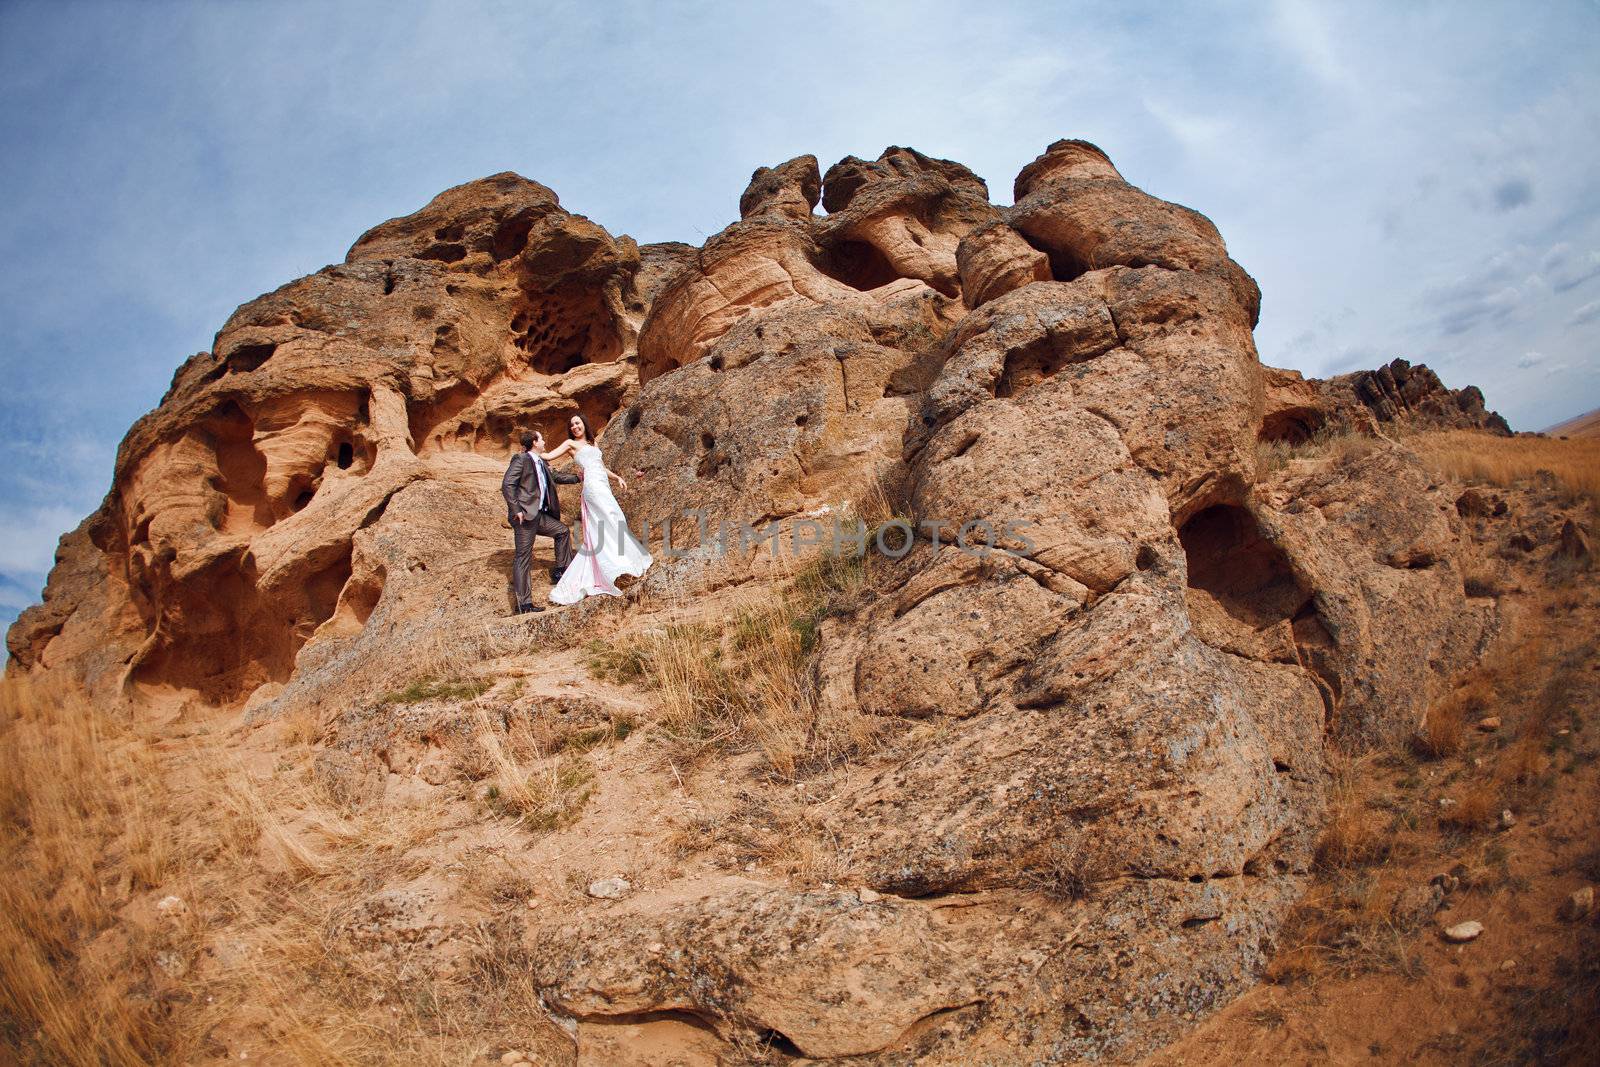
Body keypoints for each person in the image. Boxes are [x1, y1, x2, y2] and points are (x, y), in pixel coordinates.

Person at [539, 413, 652, 604]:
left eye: (578, 423)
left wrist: (616, 477)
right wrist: (532, 449)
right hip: (592, 487)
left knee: (614, 520)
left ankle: (618, 560)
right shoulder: (571, 444)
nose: (575, 427)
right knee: (608, 519)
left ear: (584, 423)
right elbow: (548, 456)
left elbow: (599, 466)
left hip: (602, 484)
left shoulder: (593, 444)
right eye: (572, 424)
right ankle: (610, 566)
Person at [501, 429, 580, 615]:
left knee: (562, 531)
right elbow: (507, 484)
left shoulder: (542, 462)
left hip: (539, 515)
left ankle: (560, 570)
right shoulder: (521, 459)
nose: (544, 441)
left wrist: (578, 478)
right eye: (542, 439)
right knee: (523, 558)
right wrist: (516, 510)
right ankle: (524, 605)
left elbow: (555, 477)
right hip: (524, 517)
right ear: (535, 442)